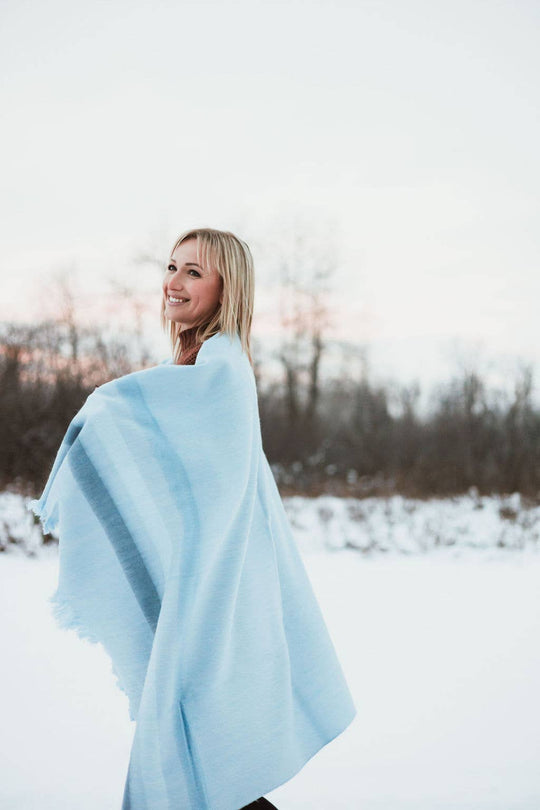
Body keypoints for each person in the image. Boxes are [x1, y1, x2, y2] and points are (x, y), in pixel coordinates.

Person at [30, 227, 357, 810]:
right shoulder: (192, 363)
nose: (173, 283)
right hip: (202, 591)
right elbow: (180, 486)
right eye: (172, 266)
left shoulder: (220, 368)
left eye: (194, 272)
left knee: (194, 755)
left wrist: (97, 412)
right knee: (199, 758)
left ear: (226, 289)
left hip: (215, 600)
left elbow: (207, 487)